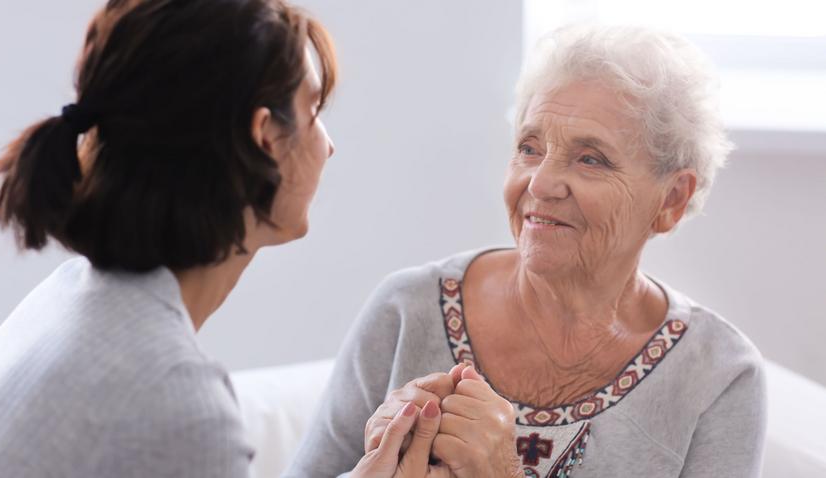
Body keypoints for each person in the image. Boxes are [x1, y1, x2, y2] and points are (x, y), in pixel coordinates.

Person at [285, 25, 767, 478]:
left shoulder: (719, 375)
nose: (540, 182)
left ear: (672, 199)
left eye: (590, 158)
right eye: (529, 148)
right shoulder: (407, 310)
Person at [0, 0, 340, 476]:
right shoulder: (177, 401)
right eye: (312, 108)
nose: (328, 145)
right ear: (265, 136)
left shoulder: (65, 299)